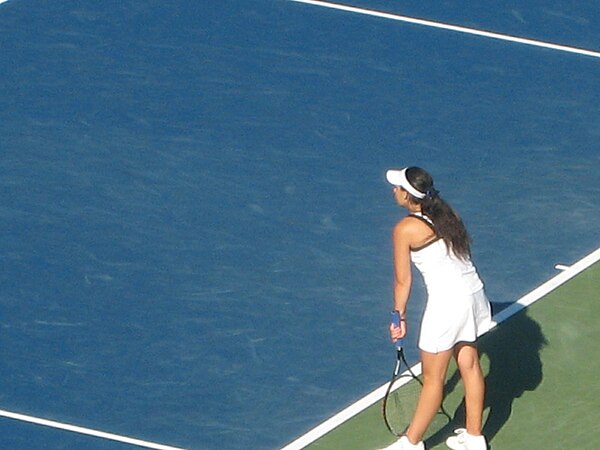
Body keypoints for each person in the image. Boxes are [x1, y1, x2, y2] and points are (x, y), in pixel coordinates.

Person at [384, 167, 492, 450]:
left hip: (447, 306)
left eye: (397, 187)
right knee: (469, 364)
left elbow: (402, 281)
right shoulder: (447, 214)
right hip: (474, 295)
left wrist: (399, 316)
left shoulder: (404, 229)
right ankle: (474, 437)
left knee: (433, 379)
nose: (394, 190)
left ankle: (411, 443)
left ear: (408, 196)